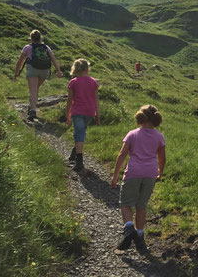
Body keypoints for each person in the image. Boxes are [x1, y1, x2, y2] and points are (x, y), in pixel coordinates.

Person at [111, 105, 166, 252]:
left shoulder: (133, 134)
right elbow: (162, 157)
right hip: (150, 174)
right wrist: (160, 172)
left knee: (125, 203)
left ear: (140, 117)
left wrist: (115, 175)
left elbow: (122, 155)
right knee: (141, 206)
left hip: (133, 172)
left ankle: (129, 229)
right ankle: (140, 238)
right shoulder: (159, 137)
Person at [14, 30, 63, 121]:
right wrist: (58, 71)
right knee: (35, 89)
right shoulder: (46, 47)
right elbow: (53, 59)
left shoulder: (27, 47)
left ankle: (32, 110)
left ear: (31, 38)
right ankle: (32, 106)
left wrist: (17, 73)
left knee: (33, 90)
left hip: (33, 70)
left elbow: (20, 62)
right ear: (40, 38)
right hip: (44, 71)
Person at [65, 59, 100, 171]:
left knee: (79, 134)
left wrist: (67, 114)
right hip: (90, 112)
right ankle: (73, 156)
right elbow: (96, 99)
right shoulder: (93, 82)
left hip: (78, 112)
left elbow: (69, 100)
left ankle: (79, 162)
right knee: (80, 133)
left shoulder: (73, 82)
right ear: (87, 69)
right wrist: (97, 114)